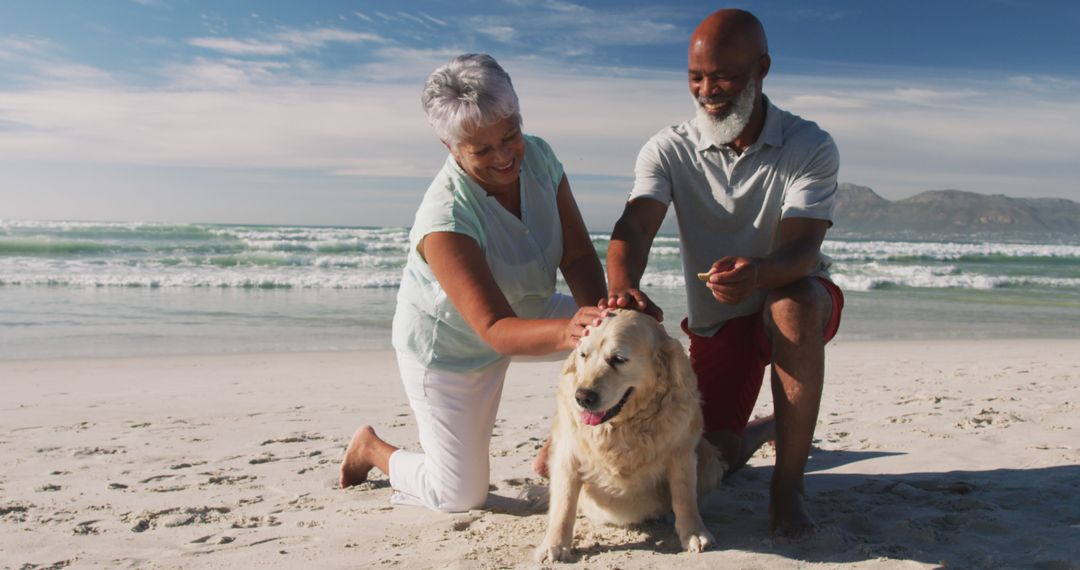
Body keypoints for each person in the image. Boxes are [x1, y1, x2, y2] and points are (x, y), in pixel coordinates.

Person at [603, 9, 844, 539]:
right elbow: (635, 228)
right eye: (696, 77)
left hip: (792, 295)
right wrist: (621, 290)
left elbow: (803, 250)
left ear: (762, 68)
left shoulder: (809, 144)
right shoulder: (667, 147)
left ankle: (788, 489)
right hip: (719, 319)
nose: (708, 91)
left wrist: (759, 272)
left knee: (792, 302)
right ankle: (765, 430)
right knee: (717, 458)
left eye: (725, 77)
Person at [339, 53, 607, 513]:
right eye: (482, 150)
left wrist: (603, 321)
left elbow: (578, 254)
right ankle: (373, 450)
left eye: (510, 136)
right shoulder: (444, 217)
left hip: (530, 310)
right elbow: (495, 329)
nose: (504, 157)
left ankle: (567, 438)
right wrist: (573, 332)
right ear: (451, 146)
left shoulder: (540, 156)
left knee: (631, 342)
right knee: (460, 495)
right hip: (452, 350)